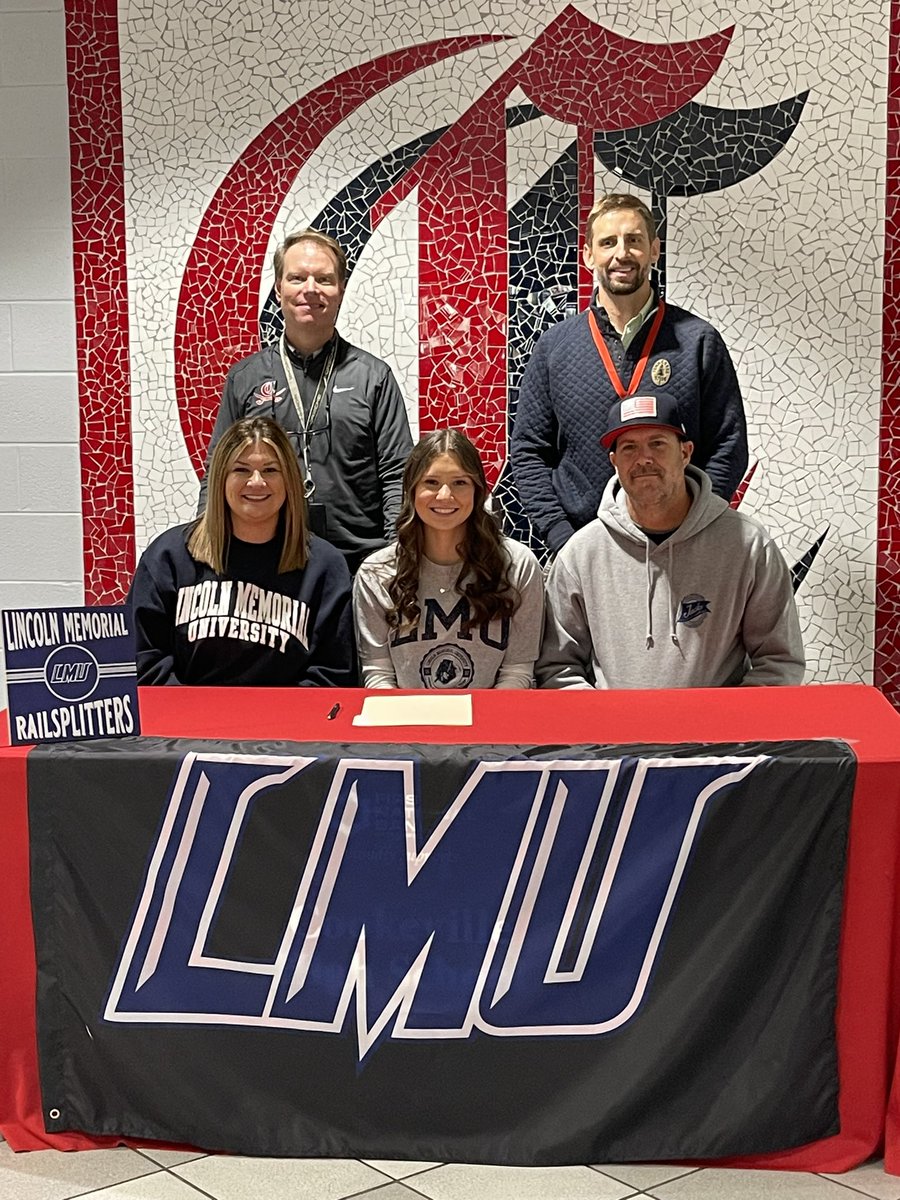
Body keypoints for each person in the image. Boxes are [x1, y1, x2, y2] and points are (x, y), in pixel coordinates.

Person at [510, 193, 748, 553]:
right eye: (608, 242)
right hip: (583, 547)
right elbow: (528, 452)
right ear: (588, 255)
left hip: (681, 547)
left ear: (654, 250)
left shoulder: (699, 341)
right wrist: (562, 538)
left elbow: (729, 444)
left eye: (634, 240)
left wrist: (693, 527)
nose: (622, 253)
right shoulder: (554, 347)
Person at [536, 393, 803, 689]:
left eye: (657, 444)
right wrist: (603, 716)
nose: (643, 459)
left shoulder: (748, 544)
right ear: (614, 461)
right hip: (613, 721)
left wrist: (730, 716)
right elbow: (557, 668)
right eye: (629, 447)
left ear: (685, 453)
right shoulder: (581, 554)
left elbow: (778, 662)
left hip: (719, 721)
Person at [199, 229, 413, 572]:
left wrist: (393, 559)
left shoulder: (374, 378)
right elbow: (219, 471)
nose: (310, 289)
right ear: (278, 288)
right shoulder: (246, 378)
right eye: (297, 278)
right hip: (268, 561)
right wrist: (205, 557)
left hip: (358, 563)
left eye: (324, 279)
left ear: (341, 289)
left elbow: (397, 475)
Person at [131, 416, 356, 686]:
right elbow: (144, 663)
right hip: (184, 713)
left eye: (270, 470)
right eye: (241, 470)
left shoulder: (325, 566)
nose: (256, 482)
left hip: (290, 714)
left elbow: (332, 673)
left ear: (289, 480)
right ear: (220, 479)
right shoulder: (167, 558)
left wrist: (276, 713)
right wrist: (196, 711)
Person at [353, 429, 544, 689]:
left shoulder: (518, 566)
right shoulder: (376, 573)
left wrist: (482, 715)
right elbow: (378, 674)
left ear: (478, 491)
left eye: (460, 483)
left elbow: (518, 671)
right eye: (431, 482)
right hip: (404, 714)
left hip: (490, 713)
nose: (444, 495)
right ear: (411, 490)